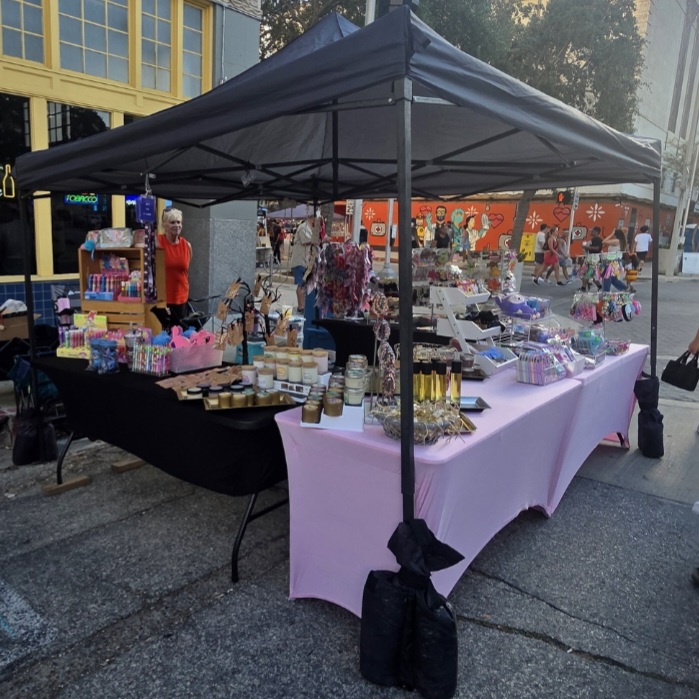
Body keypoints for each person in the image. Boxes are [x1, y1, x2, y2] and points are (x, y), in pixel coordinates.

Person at [157, 207, 192, 325]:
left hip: (181, 297)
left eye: (179, 222)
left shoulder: (187, 245)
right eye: (172, 222)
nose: (176, 225)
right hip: (162, 299)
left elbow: (185, 270)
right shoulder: (158, 242)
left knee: (180, 331)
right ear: (164, 225)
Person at [289, 214, 316, 314]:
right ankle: (301, 306)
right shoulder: (303, 228)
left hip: (305, 261)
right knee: (300, 284)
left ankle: (303, 305)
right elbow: (306, 241)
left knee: (304, 285)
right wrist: (319, 240)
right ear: (312, 218)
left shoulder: (310, 228)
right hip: (299, 261)